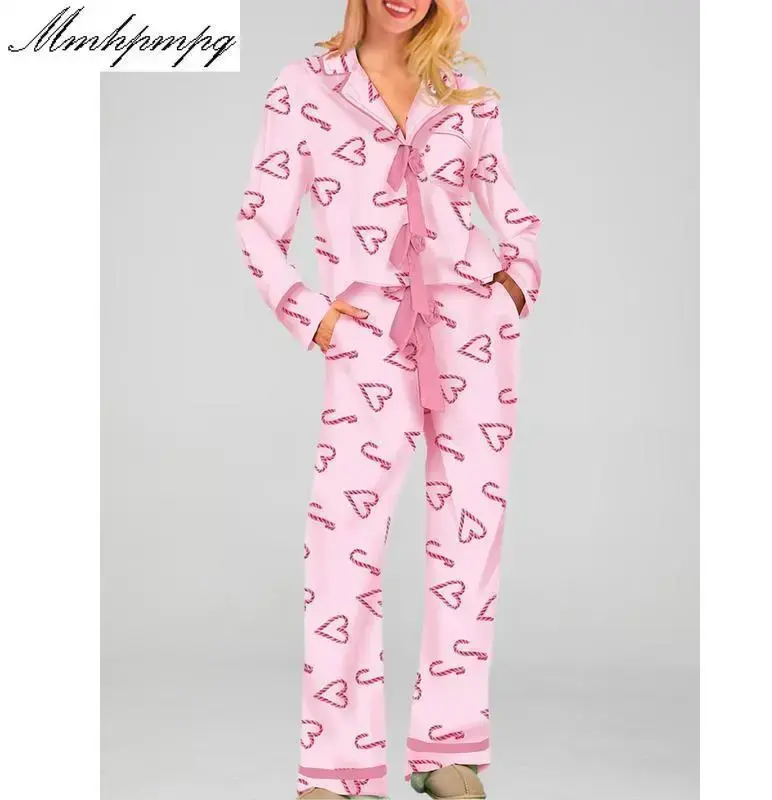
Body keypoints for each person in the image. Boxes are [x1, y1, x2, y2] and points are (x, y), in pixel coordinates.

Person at [234, 1, 542, 797]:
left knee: (470, 540)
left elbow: (511, 210)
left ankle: (448, 748)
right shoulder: (305, 87)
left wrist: (515, 285)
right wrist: (316, 316)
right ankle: (337, 765)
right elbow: (258, 225)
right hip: (370, 338)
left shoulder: (464, 91)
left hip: (471, 334)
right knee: (343, 541)